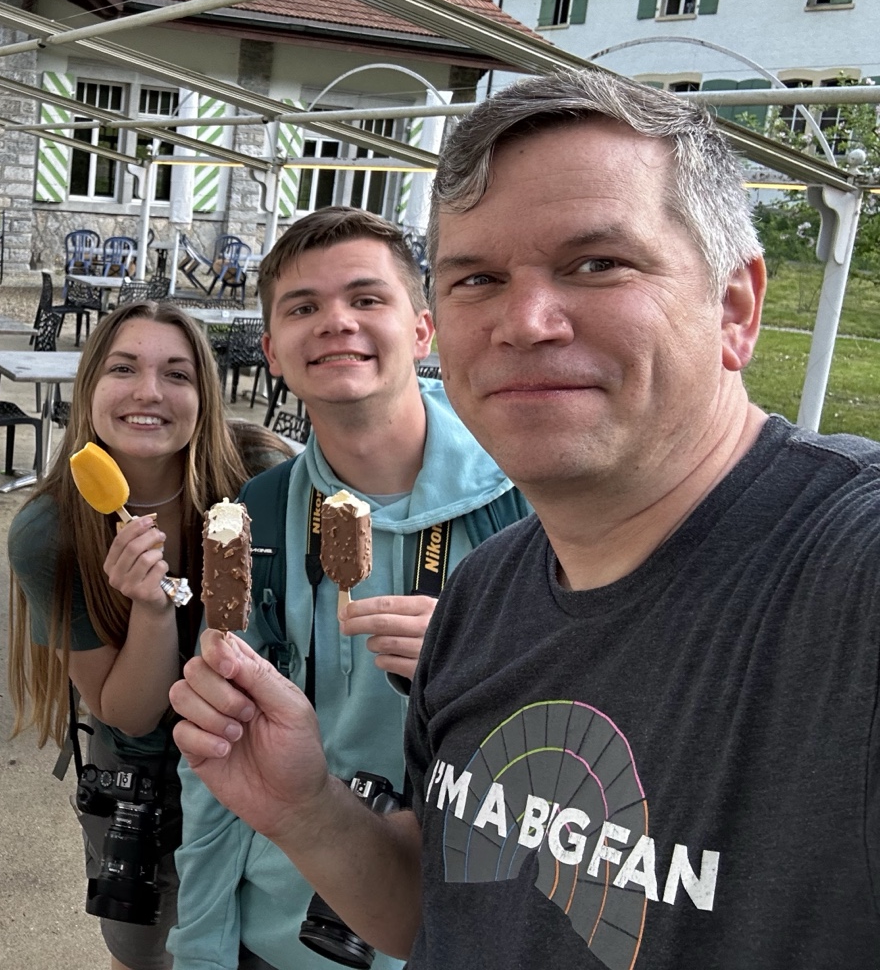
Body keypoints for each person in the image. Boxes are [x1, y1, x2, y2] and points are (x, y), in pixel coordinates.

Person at [171, 71, 880, 967]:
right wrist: (307, 807)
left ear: (734, 307)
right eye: (479, 278)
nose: (527, 322)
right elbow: (439, 910)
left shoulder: (847, 579)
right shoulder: (484, 595)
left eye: (597, 263)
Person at [170, 207, 528, 970]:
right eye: (303, 307)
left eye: (367, 298)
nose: (336, 322)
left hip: (482, 927)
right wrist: (200, 948)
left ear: (423, 331)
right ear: (272, 351)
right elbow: (216, 755)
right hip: (282, 933)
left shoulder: (532, 501)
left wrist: (490, 663)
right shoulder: (258, 518)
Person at [7, 300, 250, 970]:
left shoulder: (257, 478)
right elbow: (128, 713)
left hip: (255, 755)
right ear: (90, 388)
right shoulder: (51, 532)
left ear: (205, 396)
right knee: (143, 956)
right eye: (123, 369)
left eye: (177, 374)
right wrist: (150, 610)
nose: (149, 392)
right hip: (143, 779)